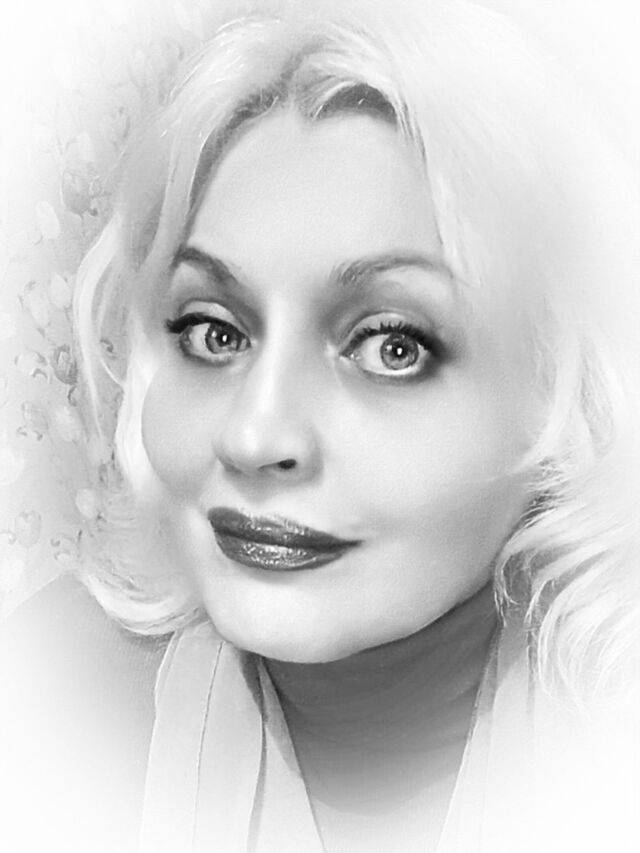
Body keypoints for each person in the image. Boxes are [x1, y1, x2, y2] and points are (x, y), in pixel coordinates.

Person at [1, 1, 639, 851]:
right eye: (214, 333)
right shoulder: (44, 703)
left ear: (565, 392)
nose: (254, 437)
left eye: (390, 346)